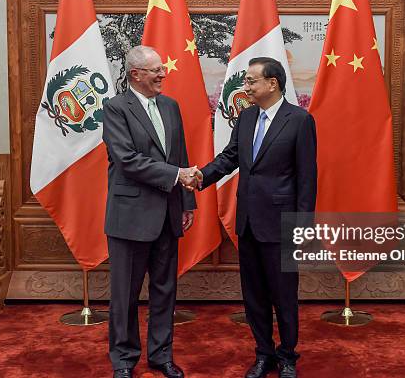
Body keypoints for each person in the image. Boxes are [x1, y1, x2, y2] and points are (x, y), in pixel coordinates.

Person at [194, 57, 317, 378]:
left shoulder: (300, 120)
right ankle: (264, 353)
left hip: (281, 225)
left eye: (251, 81)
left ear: (272, 84)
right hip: (248, 221)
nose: (245, 87)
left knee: (284, 295)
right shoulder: (246, 118)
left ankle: (288, 355)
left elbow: (307, 178)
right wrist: (199, 177)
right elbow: (230, 157)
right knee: (254, 296)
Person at [102, 45, 199, 378]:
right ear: (136, 75)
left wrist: (187, 202)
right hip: (130, 217)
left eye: (162, 69)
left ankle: (161, 356)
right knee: (125, 295)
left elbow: (180, 155)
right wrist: (176, 176)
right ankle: (124, 360)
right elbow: (127, 160)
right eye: (156, 70)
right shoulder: (115, 108)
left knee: (164, 291)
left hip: (169, 215)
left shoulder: (170, 106)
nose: (163, 74)